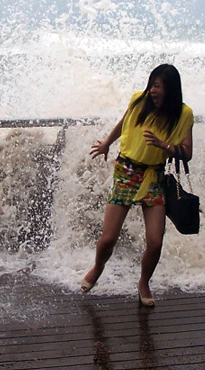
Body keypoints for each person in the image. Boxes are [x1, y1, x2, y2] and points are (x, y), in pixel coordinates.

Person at [82, 64, 194, 307]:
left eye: (157, 86)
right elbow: (124, 124)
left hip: (154, 177)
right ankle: (98, 267)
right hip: (126, 171)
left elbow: (187, 152)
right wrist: (107, 144)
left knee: (155, 242)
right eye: (151, 84)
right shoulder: (138, 100)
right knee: (108, 238)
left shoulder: (184, 114)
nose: (152, 90)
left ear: (170, 90)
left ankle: (144, 282)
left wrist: (162, 145)